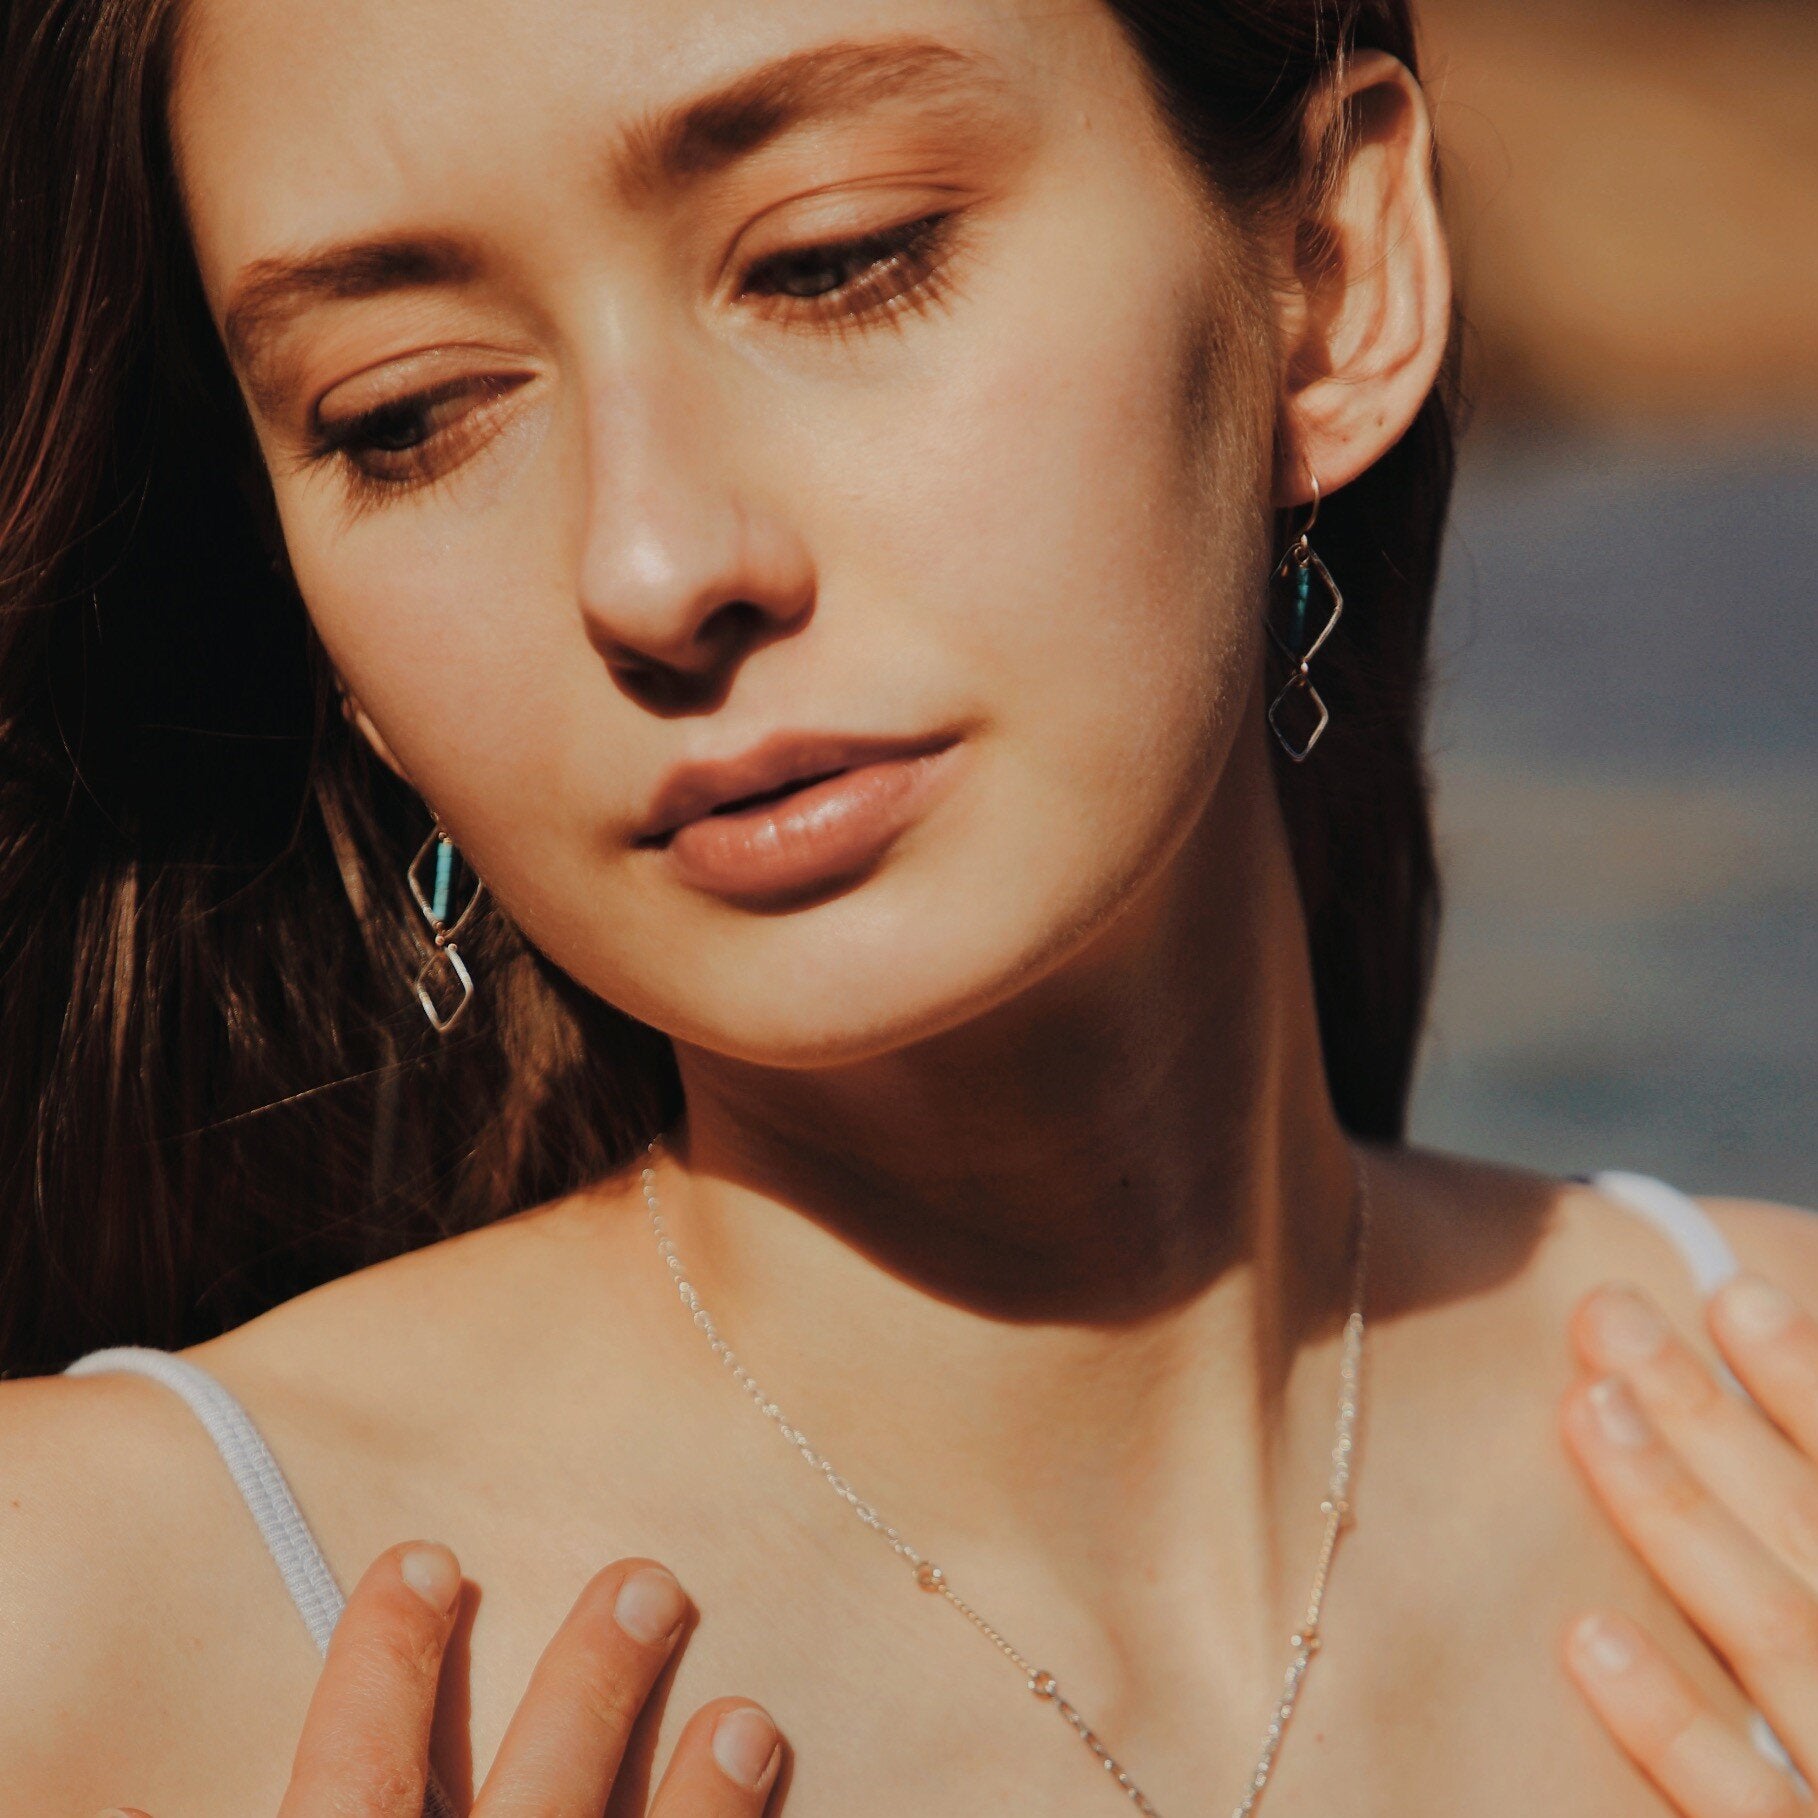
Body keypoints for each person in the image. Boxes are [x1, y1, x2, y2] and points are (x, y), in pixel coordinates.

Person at [0, 0, 1812, 1813]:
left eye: (832, 261)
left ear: (1328, 274)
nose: (651, 564)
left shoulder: (1782, 1431)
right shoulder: (85, 1625)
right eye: (406, 416)